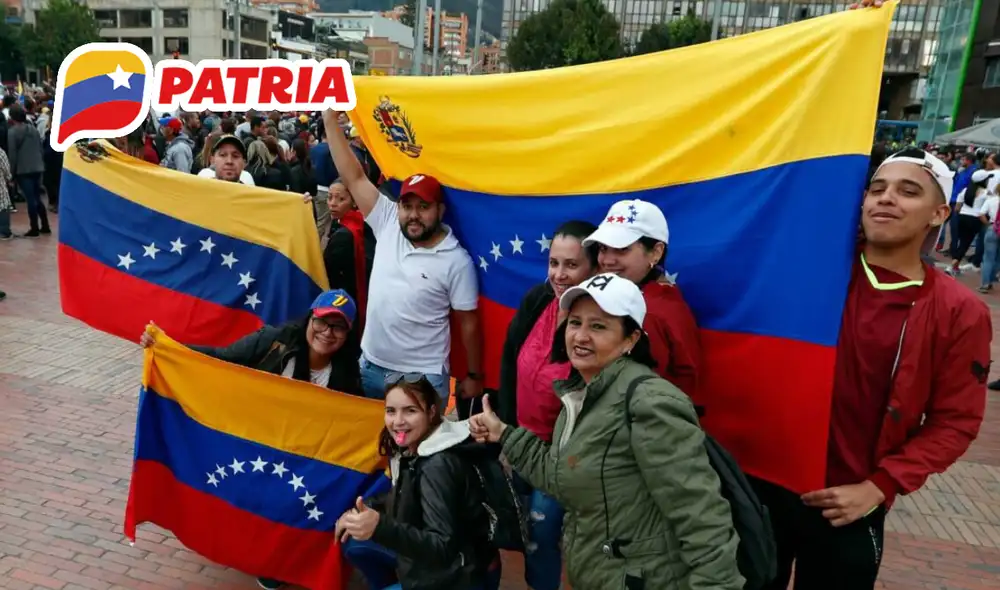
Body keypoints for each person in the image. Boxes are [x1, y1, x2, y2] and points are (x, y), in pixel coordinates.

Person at [752, 148, 991, 590]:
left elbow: (955, 422)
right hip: (763, 487)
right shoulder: (810, 269)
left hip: (848, 503)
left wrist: (881, 485)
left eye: (908, 191)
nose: (886, 199)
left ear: (939, 213)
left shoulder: (959, 311)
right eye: (877, 189)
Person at [469, 273, 744, 590]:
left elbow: (701, 516)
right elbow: (561, 478)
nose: (580, 336)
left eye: (598, 326)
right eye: (575, 323)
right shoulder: (580, 396)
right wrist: (504, 433)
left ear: (631, 339)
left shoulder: (650, 403)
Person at [140, 289, 365, 590]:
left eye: (338, 327)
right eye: (322, 322)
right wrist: (168, 348)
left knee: (295, 502)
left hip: (304, 454)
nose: (328, 332)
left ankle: (276, 565)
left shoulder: (348, 375)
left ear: (348, 334)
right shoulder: (275, 341)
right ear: (310, 319)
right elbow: (222, 360)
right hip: (258, 441)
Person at [322, 110, 482, 404]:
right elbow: (353, 176)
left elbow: (468, 323)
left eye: (423, 207)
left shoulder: (456, 260)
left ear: (440, 211)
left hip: (421, 380)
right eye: (407, 206)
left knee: (418, 451)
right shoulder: (387, 222)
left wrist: (473, 375)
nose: (413, 215)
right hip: (369, 367)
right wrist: (330, 120)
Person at [494, 220, 598, 590]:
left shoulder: (600, 324)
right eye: (554, 263)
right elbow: (509, 362)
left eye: (571, 265)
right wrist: (506, 433)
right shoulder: (538, 299)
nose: (559, 274)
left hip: (558, 460)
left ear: (594, 268)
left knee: (541, 538)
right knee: (523, 531)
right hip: (520, 443)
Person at [336, 374, 501, 590]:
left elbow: (442, 547)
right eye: (391, 411)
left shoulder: (437, 465)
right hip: (453, 566)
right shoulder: (420, 444)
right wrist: (366, 510)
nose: (398, 421)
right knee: (355, 543)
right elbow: (407, 495)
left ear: (431, 412)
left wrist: (379, 526)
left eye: (410, 411)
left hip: (461, 578)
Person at [583, 199, 702, 396]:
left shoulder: (650, 313)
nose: (607, 261)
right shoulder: (653, 299)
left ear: (656, 252)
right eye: (603, 248)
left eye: (622, 249)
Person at [324, 180, 375, 331]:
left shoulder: (344, 235)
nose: (333, 203)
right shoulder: (359, 221)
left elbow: (325, 270)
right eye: (329, 197)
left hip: (344, 302)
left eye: (340, 199)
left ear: (354, 201)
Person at [6, 104, 49, 237]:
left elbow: (12, 155)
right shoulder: (33, 129)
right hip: (38, 166)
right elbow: (40, 148)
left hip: (24, 169)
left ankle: (34, 228)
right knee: (37, 197)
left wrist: (11, 174)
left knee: (30, 199)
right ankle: (45, 225)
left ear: (12, 117)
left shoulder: (12, 132)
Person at [947, 170, 991, 274]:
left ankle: (955, 266)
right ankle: (951, 267)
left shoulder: (965, 190)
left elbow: (957, 208)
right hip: (975, 219)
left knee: (962, 242)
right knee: (965, 244)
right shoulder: (986, 193)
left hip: (962, 217)